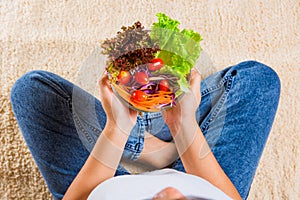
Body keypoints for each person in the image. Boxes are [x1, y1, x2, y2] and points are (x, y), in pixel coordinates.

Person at [10, 60, 280, 200]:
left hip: (104, 181)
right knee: (256, 79)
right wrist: (183, 126)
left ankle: (140, 143)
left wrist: (117, 128)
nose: (171, 192)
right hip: (203, 173)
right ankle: (167, 145)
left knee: (33, 92)